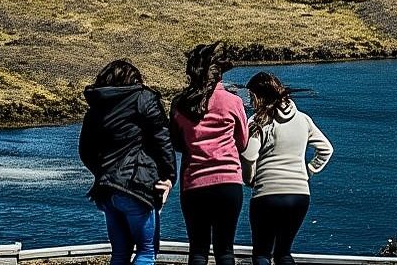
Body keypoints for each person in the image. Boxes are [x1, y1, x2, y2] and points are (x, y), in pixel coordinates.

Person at [79, 60, 178, 265]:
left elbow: (85, 151)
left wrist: (103, 172)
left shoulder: (96, 106)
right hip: (136, 187)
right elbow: (163, 139)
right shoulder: (143, 98)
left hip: (106, 190)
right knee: (146, 252)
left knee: (120, 253)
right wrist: (169, 177)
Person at [240, 72, 333, 265]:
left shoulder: (258, 121)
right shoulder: (303, 120)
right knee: (283, 253)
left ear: (260, 96)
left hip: (266, 195)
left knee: (262, 253)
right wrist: (308, 170)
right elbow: (326, 149)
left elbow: (249, 156)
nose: (250, 102)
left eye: (251, 97)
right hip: (299, 195)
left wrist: (250, 180)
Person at [169, 42, 249, 265]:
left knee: (198, 250)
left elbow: (176, 143)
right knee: (225, 250)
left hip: (194, 183)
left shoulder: (180, 103)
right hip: (228, 182)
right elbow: (242, 143)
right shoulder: (233, 101)